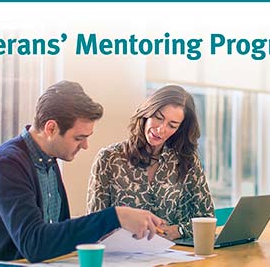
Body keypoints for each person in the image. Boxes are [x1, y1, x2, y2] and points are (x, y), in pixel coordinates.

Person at [0, 81, 163, 263]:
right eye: (79, 138)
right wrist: (114, 216)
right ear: (51, 128)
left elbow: (57, 233)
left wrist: (114, 227)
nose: (85, 145)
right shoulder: (6, 164)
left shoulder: (48, 160)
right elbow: (35, 244)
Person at [87, 85, 214, 240]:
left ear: (179, 129)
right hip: (121, 257)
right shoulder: (109, 159)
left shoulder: (186, 160)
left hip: (174, 257)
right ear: (147, 112)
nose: (161, 129)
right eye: (158, 118)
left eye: (172, 125)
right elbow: (93, 224)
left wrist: (178, 230)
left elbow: (207, 220)